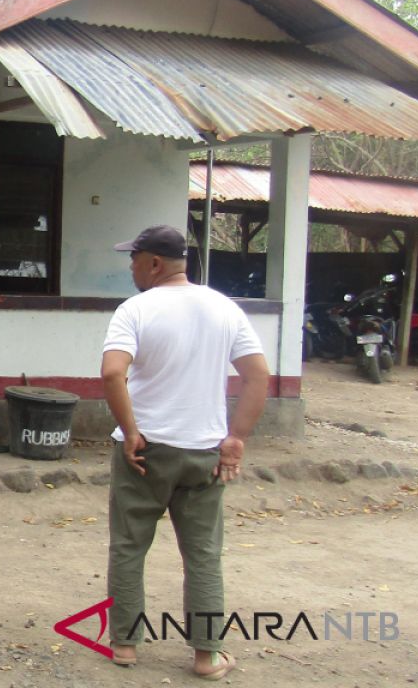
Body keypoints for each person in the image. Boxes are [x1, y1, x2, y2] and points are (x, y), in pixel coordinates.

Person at [101, 225, 269, 679]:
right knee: (203, 555)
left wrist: (130, 430)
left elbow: (113, 373)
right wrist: (236, 439)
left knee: (129, 547)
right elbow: (257, 376)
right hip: (204, 454)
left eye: (134, 259)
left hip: (145, 452)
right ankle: (206, 656)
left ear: (154, 263)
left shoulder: (134, 309)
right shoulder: (225, 308)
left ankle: (125, 645)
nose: (131, 267)